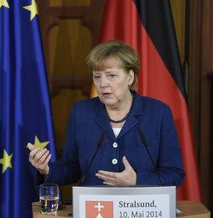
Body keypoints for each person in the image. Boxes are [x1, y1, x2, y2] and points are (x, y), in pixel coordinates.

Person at [27, 40, 185, 186]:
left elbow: (174, 173)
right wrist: (46, 169)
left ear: (129, 77)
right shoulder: (81, 112)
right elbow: (72, 167)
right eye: (97, 76)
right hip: (95, 211)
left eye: (111, 75)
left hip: (141, 210)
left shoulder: (158, 113)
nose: (102, 84)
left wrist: (137, 180)